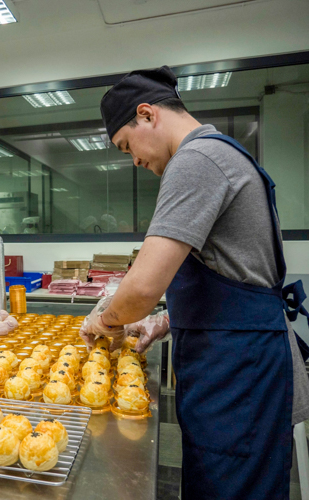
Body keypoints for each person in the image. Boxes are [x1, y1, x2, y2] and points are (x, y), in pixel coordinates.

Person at [80, 66, 309, 499]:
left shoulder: (195, 160)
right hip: (236, 360)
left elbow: (144, 287)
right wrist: (163, 322)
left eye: (127, 145)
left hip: (241, 374)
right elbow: (230, 274)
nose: (135, 160)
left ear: (146, 114)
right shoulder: (220, 155)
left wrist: (104, 323)